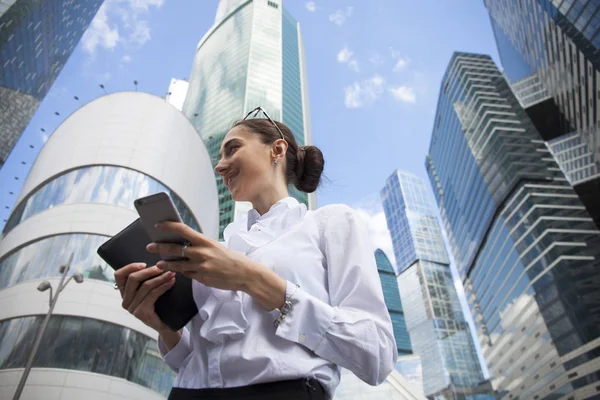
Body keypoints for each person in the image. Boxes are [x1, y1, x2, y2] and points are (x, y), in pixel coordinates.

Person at [114, 108, 398, 400]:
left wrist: (252, 279)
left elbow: (376, 355)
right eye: (220, 157)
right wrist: (164, 327)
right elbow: (199, 364)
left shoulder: (328, 223)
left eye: (232, 149)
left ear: (277, 149)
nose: (220, 166)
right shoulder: (219, 251)